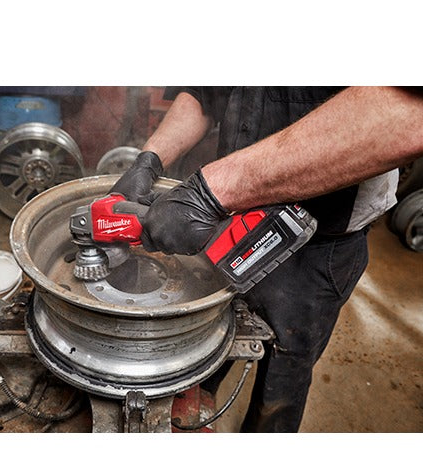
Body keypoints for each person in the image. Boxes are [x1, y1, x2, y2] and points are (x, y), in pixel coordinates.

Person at [110, 87, 423, 432]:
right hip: (226, 223)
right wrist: (150, 158)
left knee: (280, 383)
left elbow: (407, 114)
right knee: (206, 347)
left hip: (316, 243)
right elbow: (203, 91)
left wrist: (210, 192)